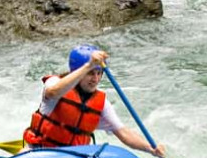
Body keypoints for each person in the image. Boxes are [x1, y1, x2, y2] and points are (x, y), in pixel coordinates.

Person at [23, 45, 167, 157]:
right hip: (39, 152)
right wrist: (88, 65)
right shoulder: (55, 83)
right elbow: (53, 92)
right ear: (77, 71)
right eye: (91, 73)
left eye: (99, 73)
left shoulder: (102, 104)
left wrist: (150, 149)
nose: (96, 79)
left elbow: (123, 133)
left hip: (73, 156)